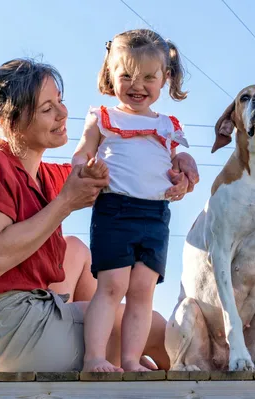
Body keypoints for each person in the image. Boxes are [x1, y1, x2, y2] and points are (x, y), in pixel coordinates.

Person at [0, 57, 199, 373]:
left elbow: (125, 175)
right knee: (159, 330)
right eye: (47, 109)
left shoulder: (48, 176)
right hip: (9, 335)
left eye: (60, 102)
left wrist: (176, 167)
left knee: (77, 251)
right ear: (9, 122)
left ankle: (109, 363)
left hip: (30, 313)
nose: (63, 113)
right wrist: (66, 203)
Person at [71, 29, 193, 374]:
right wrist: (84, 169)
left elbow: (178, 165)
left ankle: (129, 360)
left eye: (148, 78)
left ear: (164, 79)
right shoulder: (103, 117)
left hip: (156, 214)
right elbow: (82, 152)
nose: (137, 86)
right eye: (126, 76)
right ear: (111, 74)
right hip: (116, 209)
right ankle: (94, 357)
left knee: (142, 291)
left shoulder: (168, 126)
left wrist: (184, 174)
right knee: (112, 286)